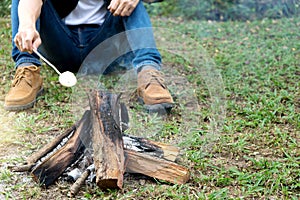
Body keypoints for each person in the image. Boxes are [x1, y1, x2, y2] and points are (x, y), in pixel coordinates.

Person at [4, 0, 174, 112]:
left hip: (105, 47)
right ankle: (27, 69)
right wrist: (26, 24)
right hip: (60, 43)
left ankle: (149, 73)